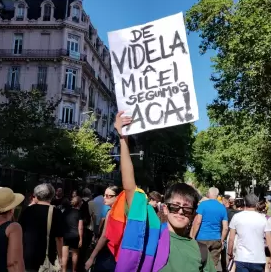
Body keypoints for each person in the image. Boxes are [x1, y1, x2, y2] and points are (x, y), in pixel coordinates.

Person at [107, 111, 215, 272]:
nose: (180, 211)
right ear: (165, 208)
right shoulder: (150, 233)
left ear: (193, 213)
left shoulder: (201, 251)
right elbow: (130, 187)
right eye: (175, 206)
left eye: (186, 208)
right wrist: (124, 139)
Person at [18, 183, 64, 272]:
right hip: (47, 257)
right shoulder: (56, 212)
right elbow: (59, 238)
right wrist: (61, 257)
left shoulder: (27, 210)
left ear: (36, 195)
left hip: (27, 255)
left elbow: (20, 232)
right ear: (52, 195)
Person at [227, 194, 271, 272]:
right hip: (258, 259)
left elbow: (231, 239)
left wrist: (230, 253)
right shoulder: (263, 219)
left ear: (245, 203)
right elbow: (269, 241)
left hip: (241, 258)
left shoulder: (236, 217)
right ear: (256, 204)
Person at [85, 185, 122, 272]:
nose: (104, 198)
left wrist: (91, 257)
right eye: (104, 195)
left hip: (107, 252)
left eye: (108, 196)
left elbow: (105, 236)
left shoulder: (112, 212)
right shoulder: (121, 212)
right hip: (116, 253)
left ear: (117, 197)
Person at [191, 187, 228, 269]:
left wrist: (193, 236)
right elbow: (225, 227)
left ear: (208, 193)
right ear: (217, 195)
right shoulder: (222, 207)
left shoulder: (203, 205)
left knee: (200, 263)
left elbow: (197, 222)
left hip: (202, 239)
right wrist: (221, 240)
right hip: (216, 239)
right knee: (213, 265)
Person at [62, 196, 83, 272]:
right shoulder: (79, 213)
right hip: (75, 235)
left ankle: (63, 270)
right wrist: (81, 238)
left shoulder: (65, 211)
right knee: (75, 254)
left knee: (64, 255)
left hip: (65, 234)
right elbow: (80, 227)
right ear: (79, 203)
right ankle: (74, 270)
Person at [256, 200, 271, 272]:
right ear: (266, 209)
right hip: (265, 247)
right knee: (265, 267)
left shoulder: (251, 218)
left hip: (253, 246)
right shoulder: (269, 219)